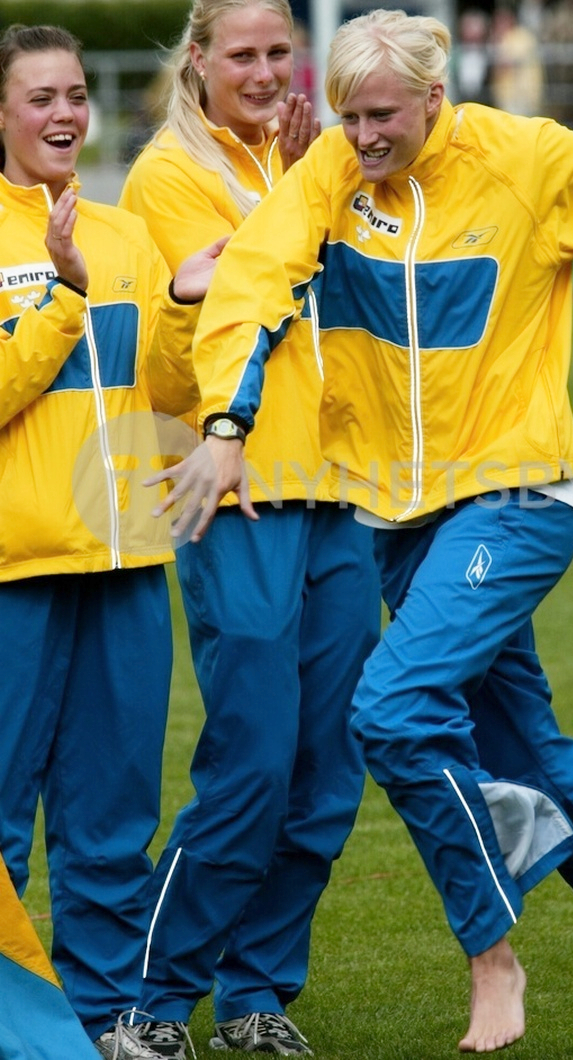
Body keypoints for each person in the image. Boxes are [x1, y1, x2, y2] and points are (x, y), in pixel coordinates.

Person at [138, 8, 573, 1056]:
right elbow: (253, 282)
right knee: (519, 744)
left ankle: (490, 951)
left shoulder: (525, 157)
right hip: (395, 519)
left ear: (434, 97)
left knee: (393, 710)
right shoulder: (327, 172)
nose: (361, 138)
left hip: (517, 495)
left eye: (382, 117)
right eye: (348, 117)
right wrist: (226, 424)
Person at [118, 0, 381, 1055]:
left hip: (341, 492)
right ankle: (151, 1001)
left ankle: (255, 992)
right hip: (238, 495)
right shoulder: (167, 177)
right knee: (253, 764)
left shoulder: (320, 161)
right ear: (199, 60)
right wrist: (207, 284)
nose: (266, 72)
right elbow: (169, 365)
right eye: (243, 54)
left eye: (279, 51)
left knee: (327, 770)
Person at [0, 22, 223, 1058]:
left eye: (76, 94)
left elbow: (165, 392)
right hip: (17, 569)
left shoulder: (126, 232)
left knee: (111, 815)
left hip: (128, 560)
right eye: (41, 96)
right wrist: (64, 294)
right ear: (3, 113)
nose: (64, 113)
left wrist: (180, 302)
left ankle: (103, 1020)